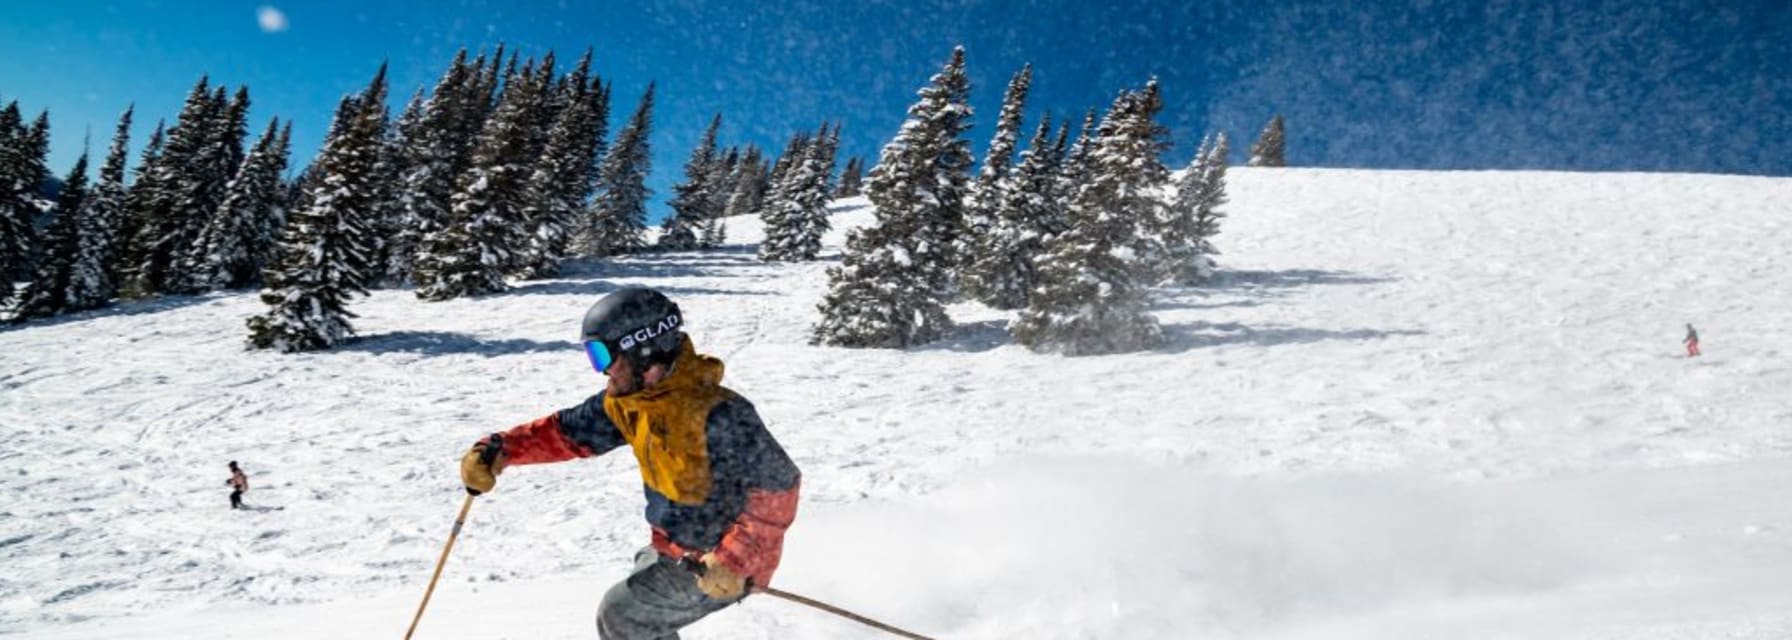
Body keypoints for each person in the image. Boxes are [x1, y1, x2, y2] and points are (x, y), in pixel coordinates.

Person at [459, 287, 801, 640]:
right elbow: (567, 432)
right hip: (673, 548)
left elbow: (780, 485)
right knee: (641, 604)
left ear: (643, 350)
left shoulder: (718, 412)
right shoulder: (631, 404)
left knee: (622, 616)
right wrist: (502, 449)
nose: (602, 371)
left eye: (602, 355)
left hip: (721, 562)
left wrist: (735, 559)